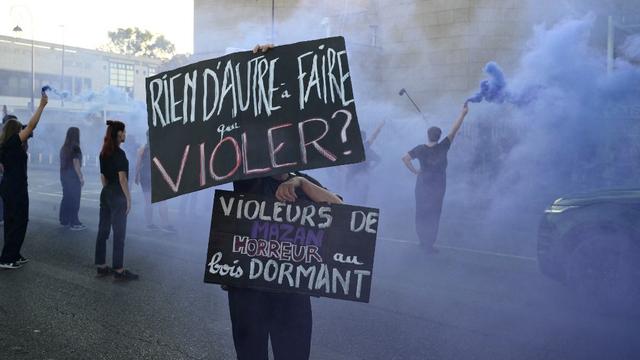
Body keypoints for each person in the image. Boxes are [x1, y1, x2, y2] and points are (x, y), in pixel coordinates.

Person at [229, 172, 342, 360]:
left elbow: (342, 210)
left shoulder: (303, 180)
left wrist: (301, 183)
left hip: (292, 291)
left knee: (294, 353)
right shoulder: (249, 178)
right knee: (250, 354)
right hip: (249, 290)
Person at [402, 102, 469, 254]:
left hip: (422, 182)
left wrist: (415, 172)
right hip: (438, 184)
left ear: (428, 135)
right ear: (439, 137)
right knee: (434, 213)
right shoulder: (444, 145)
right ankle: (429, 244)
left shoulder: (419, 148)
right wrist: (463, 113)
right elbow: (454, 130)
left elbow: (404, 158)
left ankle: (421, 240)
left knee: (421, 211)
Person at [0, 91, 48, 269]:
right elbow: (31, 127)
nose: (23, 131)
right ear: (15, 132)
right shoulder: (13, 142)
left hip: (9, 187)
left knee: (12, 221)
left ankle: (12, 253)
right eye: (20, 129)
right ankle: (7, 258)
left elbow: (29, 128)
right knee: (19, 221)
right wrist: (42, 106)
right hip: (15, 188)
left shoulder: (7, 144)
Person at [95, 120, 138, 280]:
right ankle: (118, 270)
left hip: (106, 193)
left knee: (103, 231)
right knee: (119, 234)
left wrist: (108, 191)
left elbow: (103, 177)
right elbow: (123, 179)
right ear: (118, 134)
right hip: (117, 194)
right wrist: (128, 198)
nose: (125, 134)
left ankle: (101, 267)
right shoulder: (120, 154)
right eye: (124, 132)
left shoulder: (103, 153)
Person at [134, 130, 175, 232]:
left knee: (148, 202)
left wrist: (136, 177)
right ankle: (165, 225)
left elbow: (138, 165)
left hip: (146, 177)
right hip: (156, 177)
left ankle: (149, 224)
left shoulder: (142, 149)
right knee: (162, 201)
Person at [346, 121, 384, 204]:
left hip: (360, 176)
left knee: (360, 196)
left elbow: (373, 137)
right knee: (351, 194)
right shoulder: (352, 148)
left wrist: (371, 168)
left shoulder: (365, 147)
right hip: (352, 176)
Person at [59, 127, 86, 230]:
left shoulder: (64, 147)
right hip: (72, 177)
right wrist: (81, 177)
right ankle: (74, 222)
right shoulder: (75, 147)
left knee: (66, 198)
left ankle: (64, 220)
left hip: (64, 176)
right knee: (75, 199)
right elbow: (76, 163)